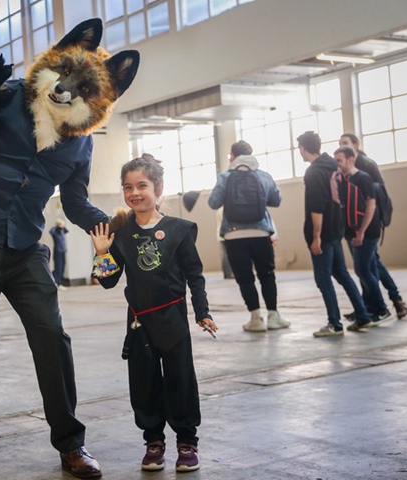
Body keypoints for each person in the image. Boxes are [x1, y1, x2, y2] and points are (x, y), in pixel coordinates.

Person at [0, 19, 139, 479]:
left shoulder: (81, 143)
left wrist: (119, 226)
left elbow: (74, 202)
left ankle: (71, 445)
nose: (68, 89)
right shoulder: (8, 95)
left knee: (51, 336)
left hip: (26, 247)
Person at [90, 154, 217, 473]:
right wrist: (102, 253)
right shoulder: (121, 232)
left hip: (173, 321)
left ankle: (187, 442)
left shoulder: (180, 229)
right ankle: (153, 443)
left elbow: (194, 274)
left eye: (141, 185)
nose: (134, 193)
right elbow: (107, 282)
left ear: (158, 189)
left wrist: (202, 311)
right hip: (139, 324)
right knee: (144, 384)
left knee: (181, 380)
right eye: (127, 187)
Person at [297, 131, 372, 337]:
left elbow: (317, 206)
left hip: (324, 233)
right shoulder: (332, 164)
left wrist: (316, 236)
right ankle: (363, 316)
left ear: (303, 149)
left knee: (323, 278)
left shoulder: (313, 172)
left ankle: (335, 323)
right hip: (337, 229)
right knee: (342, 274)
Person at [208, 140, 289, 332]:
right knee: (267, 275)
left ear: (232, 156)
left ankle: (255, 319)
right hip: (261, 233)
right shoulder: (263, 175)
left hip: (233, 236)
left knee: (245, 278)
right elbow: (276, 200)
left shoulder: (225, 177)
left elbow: (213, 202)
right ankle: (274, 316)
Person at [339, 133, 407, 319]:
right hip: (356, 225)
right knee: (368, 267)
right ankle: (368, 306)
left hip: (368, 224)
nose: (342, 146)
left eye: (345, 143)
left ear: (355, 145)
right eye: (340, 144)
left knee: (370, 266)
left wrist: (368, 226)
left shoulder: (366, 166)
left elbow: (376, 196)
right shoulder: (345, 169)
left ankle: (393, 301)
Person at [333, 146, 392, 329]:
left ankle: (381, 309)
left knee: (363, 271)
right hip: (352, 232)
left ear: (351, 160)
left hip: (366, 233)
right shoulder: (344, 181)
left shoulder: (363, 179)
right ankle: (371, 308)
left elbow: (371, 207)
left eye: (339, 160)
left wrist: (361, 232)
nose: (337, 164)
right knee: (368, 271)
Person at [49, 219, 69, 289]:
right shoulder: (56, 231)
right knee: (58, 267)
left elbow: (67, 231)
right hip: (58, 251)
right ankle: (57, 282)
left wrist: (62, 227)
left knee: (62, 267)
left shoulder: (62, 231)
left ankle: (59, 281)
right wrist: (56, 226)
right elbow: (51, 231)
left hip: (63, 251)